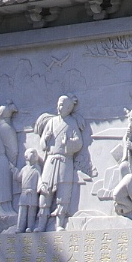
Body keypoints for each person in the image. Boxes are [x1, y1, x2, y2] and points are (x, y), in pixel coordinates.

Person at [36, 95, 90, 230]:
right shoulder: (51, 122)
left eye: (62, 105)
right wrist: (45, 139)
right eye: (58, 104)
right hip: (51, 160)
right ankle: (41, 224)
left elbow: (78, 143)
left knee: (63, 192)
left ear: (69, 108)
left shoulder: (72, 123)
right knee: (45, 190)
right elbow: (42, 144)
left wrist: (69, 143)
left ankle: (60, 224)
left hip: (65, 160)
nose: (59, 107)